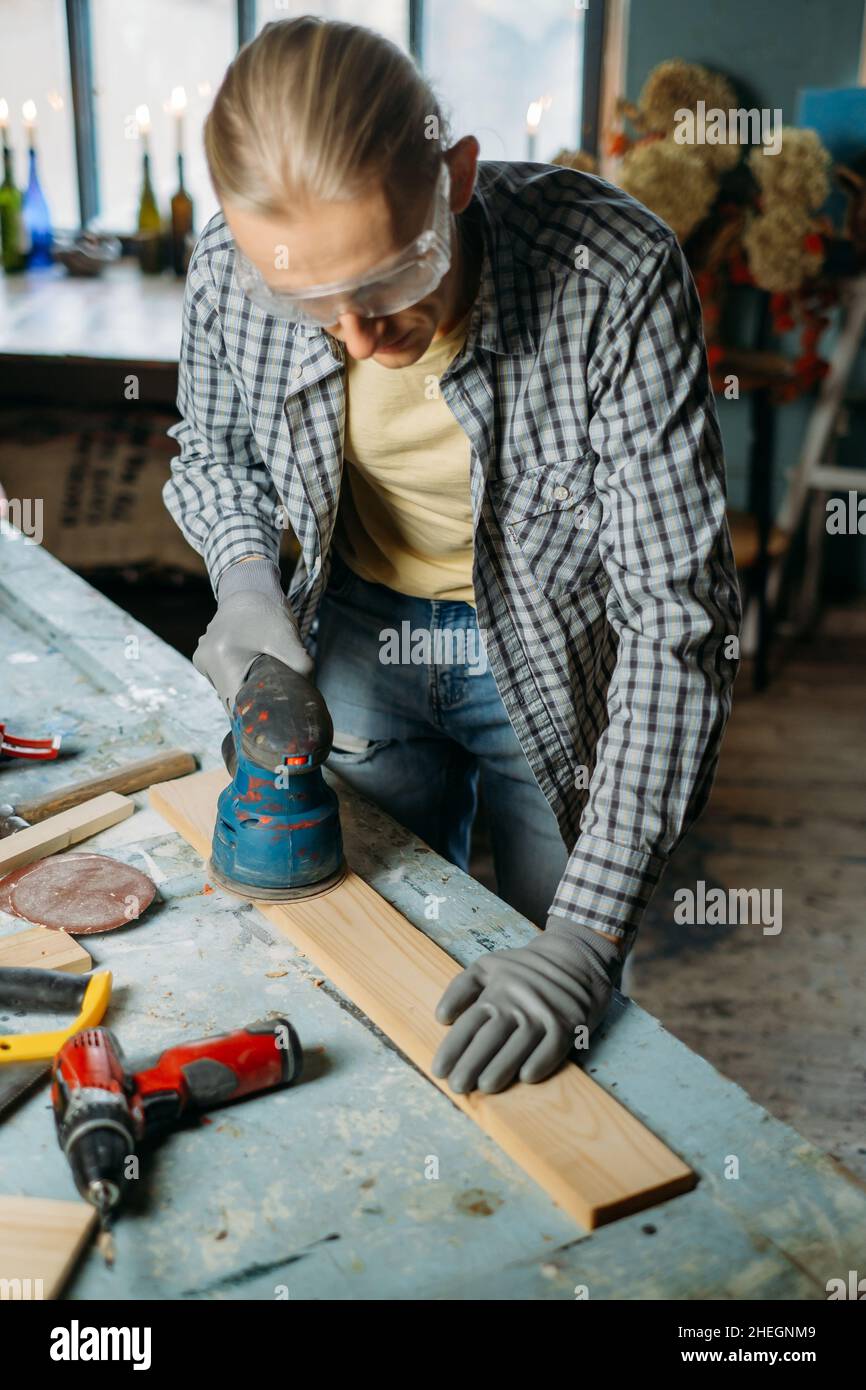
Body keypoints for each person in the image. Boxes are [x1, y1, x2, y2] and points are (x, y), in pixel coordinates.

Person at [164, 17, 740, 1096]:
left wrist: (579, 944)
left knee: (552, 1024)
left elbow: (679, 622)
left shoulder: (611, 276)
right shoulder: (229, 267)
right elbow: (218, 453)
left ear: (455, 177)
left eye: (387, 283)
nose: (356, 339)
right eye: (307, 303)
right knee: (364, 965)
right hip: (358, 640)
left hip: (561, 659)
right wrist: (246, 583)